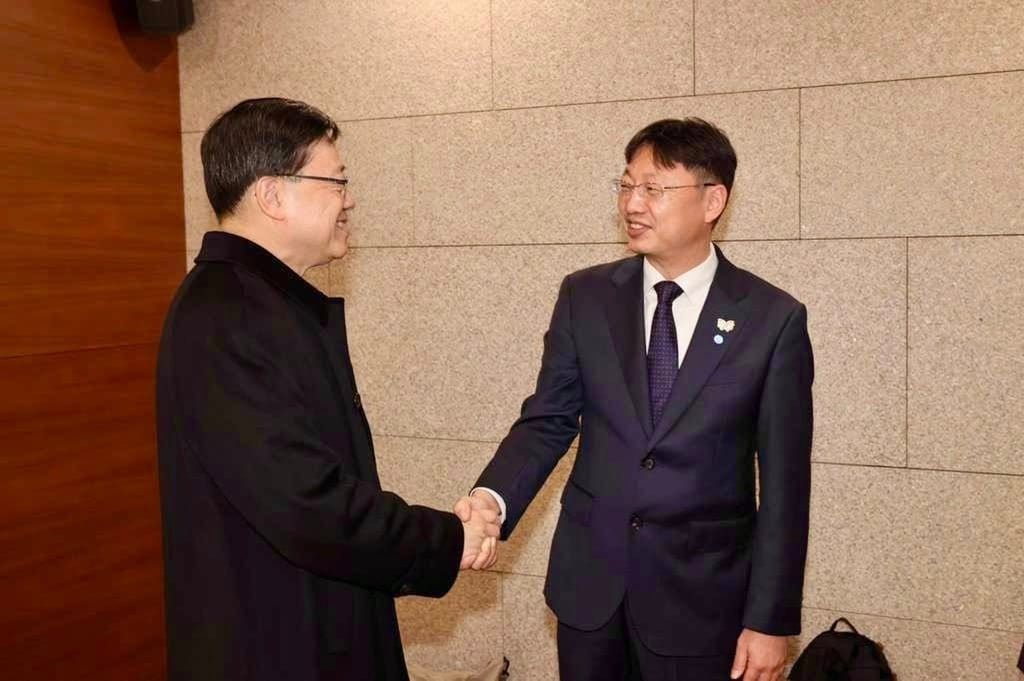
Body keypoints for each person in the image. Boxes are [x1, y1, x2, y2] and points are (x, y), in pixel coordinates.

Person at [457, 118, 814, 681]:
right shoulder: (587, 295)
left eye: (654, 189)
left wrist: (770, 621)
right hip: (590, 591)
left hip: (700, 602)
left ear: (712, 200)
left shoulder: (771, 320)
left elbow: (786, 485)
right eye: (626, 186)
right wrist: (492, 500)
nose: (633, 204)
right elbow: (548, 419)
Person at [156, 97, 499, 681]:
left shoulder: (263, 302)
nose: (350, 198)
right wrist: (443, 540)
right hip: (274, 643)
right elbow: (305, 504)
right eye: (335, 180)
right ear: (272, 195)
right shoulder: (226, 316)